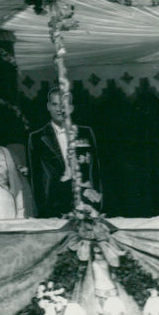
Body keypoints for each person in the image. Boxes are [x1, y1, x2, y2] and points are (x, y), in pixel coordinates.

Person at [27, 88, 101, 218]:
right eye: (55, 104)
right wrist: (41, 211)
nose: (59, 109)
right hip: (54, 205)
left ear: (71, 108)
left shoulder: (86, 133)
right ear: (48, 106)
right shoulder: (37, 138)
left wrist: (98, 198)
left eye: (63, 105)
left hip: (87, 203)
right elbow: (36, 179)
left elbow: (95, 169)